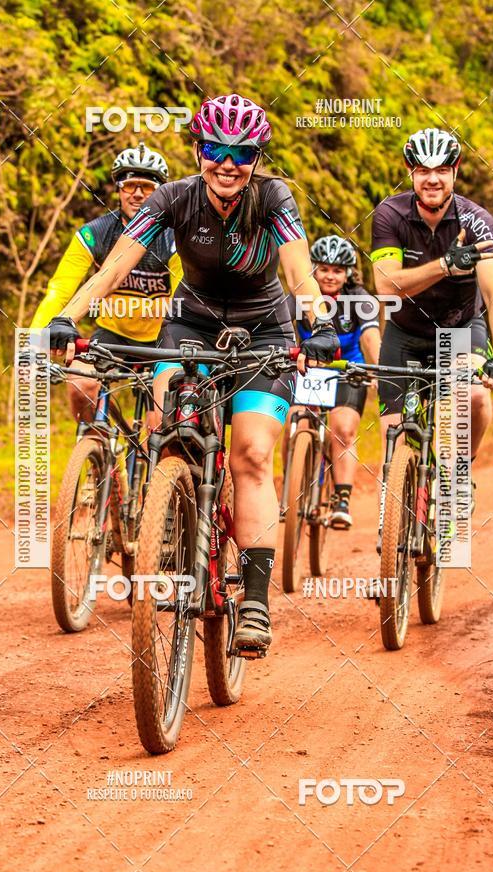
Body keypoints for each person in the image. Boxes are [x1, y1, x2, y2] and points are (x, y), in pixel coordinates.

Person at [46, 94, 340, 655]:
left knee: (253, 453)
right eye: (215, 150)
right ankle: (171, 523)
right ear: (198, 150)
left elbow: (301, 271)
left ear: (257, 157)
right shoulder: (173, 198)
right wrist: (67, 317)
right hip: (191, 323)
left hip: (266, 330)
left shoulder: (274, 197)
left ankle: (253, 601)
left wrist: (318, 324)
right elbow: (113, 267)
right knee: (164, 424)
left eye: (242, 153)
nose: (227, 164)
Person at [370, 127, 493, 510]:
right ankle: (403, 530)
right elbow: (386, 286)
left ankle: (461, 470)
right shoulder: (389, 215)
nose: (432, 178)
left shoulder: (477, 221)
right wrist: (446, 266)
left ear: (455, 172)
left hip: (460, 329)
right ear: (410, 172)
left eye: (441, 170)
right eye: (422, 170)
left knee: (477, 395)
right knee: (394, 445)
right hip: (405, 332)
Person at [32, 142, 182, 422]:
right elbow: (59, 290)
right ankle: (96, 446)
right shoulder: (95, 233)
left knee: (158, 425)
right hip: (111, 334)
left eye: (147, 187)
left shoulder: (173, 238)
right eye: (130, 185)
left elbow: (181, 296)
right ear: (118, 190)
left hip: (159, 338)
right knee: (81, 384)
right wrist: (35, 339)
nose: (137, 194)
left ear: (160, 193)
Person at [282, 235, 380, 528]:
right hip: (308, 367)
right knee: (293, 422)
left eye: (338, 270)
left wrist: (377, 370)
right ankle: (292, 490)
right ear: (313, 269)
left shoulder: (360, 299)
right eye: (324, 268)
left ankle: (341, 499)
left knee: (343, 429)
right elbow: (284, 334)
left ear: (348, 273)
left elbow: (371, 337)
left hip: (348, 369)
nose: (330, 275)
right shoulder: (299, 296)